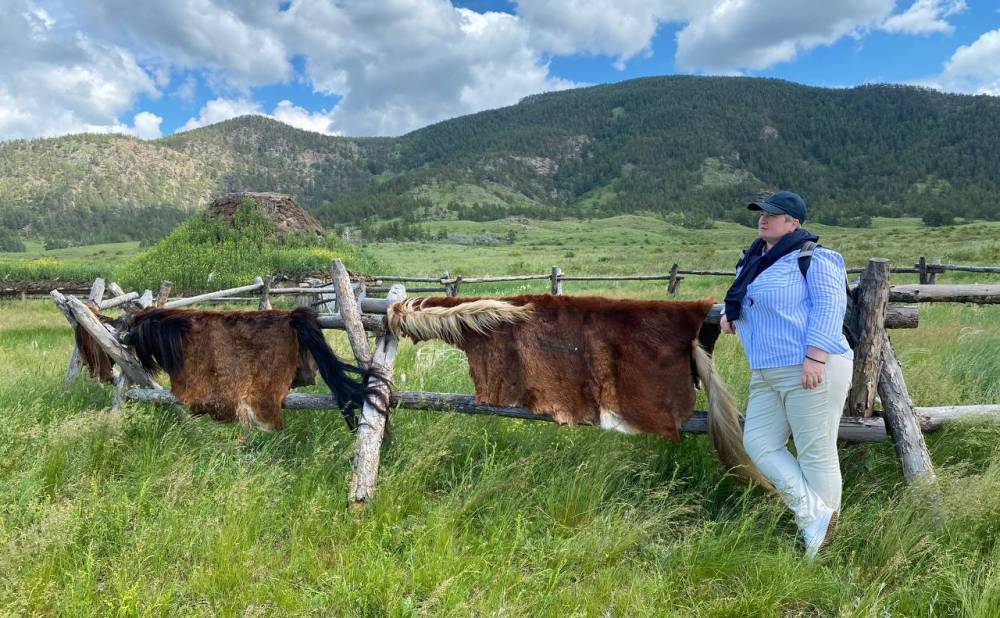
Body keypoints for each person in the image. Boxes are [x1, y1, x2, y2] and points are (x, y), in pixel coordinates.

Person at [719, 190, 853, 559]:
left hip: (808, 366)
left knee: (815, 453)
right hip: (765, 369)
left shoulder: (814, 258)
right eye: (761, 213)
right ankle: (815, 516)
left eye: (773, 214)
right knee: (759, 443)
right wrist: (731, 312)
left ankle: (821, 544)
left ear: (793, 223)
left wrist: (815, 357)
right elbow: (750, 300)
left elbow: (829, 307)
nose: (763, 219)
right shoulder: (753, 260)